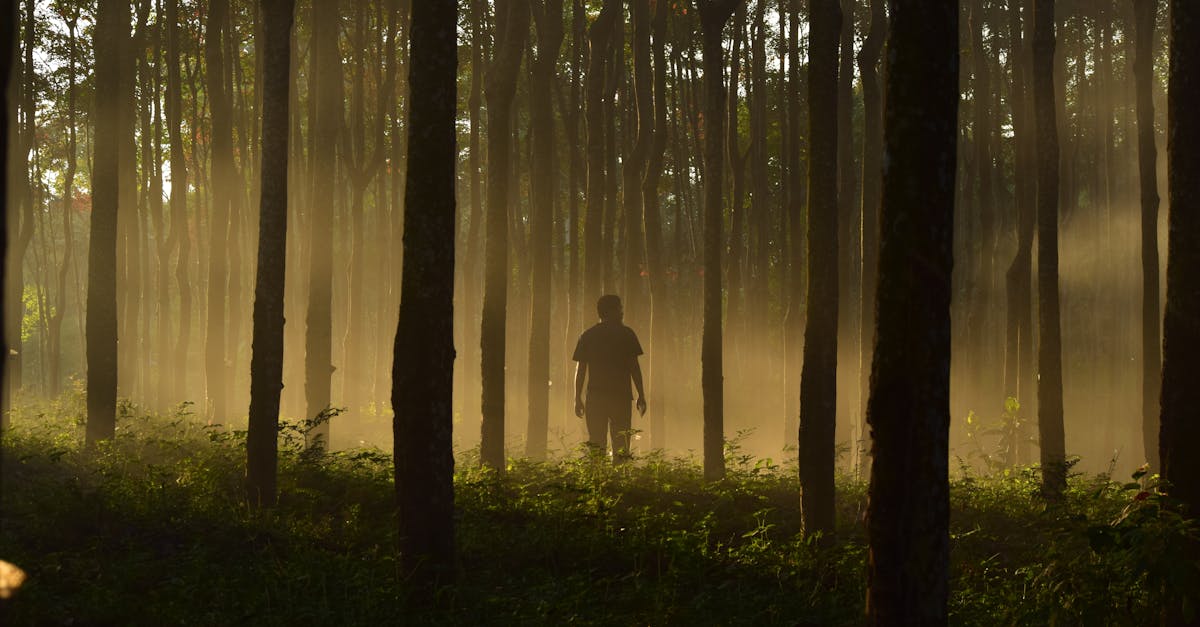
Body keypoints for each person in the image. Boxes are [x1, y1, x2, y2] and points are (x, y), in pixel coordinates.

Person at [573, 295, 647, 461]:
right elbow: (634, 367)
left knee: (596, 442)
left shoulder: (588, 335)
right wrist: (640, 394)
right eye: (619, 308)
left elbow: (581, 370)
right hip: (620, 397)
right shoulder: (627, 334)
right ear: (611, 311)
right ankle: (619, 479)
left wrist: (577, 397)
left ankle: (598, 480)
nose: (622, 312)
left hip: (596, 397)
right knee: (621, 441)